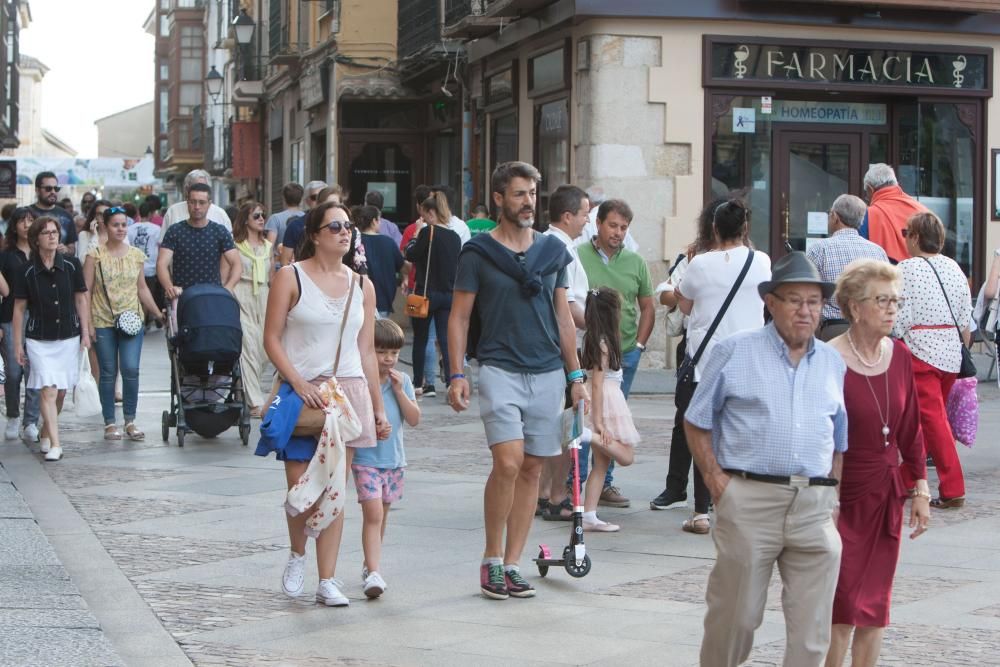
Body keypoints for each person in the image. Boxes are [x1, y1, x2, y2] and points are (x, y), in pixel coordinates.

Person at [685, 251, 846, 667]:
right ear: (771, 303)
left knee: (813, 635)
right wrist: (717, 482)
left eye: (813, 302)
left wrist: (834, 496)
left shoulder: (832, 362)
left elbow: (839, 439)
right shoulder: (735, 351)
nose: (805, 311)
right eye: (795, 300)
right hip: (751, 499)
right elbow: (696, 420)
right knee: (735, 618)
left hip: (813, 506)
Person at [447, 161, 587, 601]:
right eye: (519, 194)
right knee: (507, 462)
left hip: (547, 371)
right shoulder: (478, 253)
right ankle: (491, 558)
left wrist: (576, 373)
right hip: (498, 367)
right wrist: (455, 373)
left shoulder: (552, 253)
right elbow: (460, 317)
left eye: (532, 194)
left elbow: (563, 317)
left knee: (532, 467)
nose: (528, 202)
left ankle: (513, 563)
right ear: (499, 198)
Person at [259, 200, 389, 608]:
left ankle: (327, 579)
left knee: (334, 489)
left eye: (348, 226)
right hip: (302, 393)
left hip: (345, 393)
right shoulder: (290, 276)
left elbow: (366, 350)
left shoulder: (362, 285)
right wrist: (297, 382)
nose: (344, 232)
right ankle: (298, 555)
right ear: (314, 234)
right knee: (301, 487)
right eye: (334, 226)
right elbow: (271, 339)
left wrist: (378, 404)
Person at [825, 259, 930, 667]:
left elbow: (911, 429)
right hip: (842, 497)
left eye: (895, 301)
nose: (891, 309)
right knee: (841, 604)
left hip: (887, 495)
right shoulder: (829, 359)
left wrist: (920, 488)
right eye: (881, 300)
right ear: (854, 306)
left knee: (874, 605)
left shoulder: (900, 355)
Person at [671, 200, 771, 534]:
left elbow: (684, 307)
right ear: (745, 229)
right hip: (748, 359)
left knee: (704, 434)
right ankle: (740, 505)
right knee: (740, 433)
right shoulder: (762, 262)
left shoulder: (699, 265)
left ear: (714, 229)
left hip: (705, 360)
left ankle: (701, 511)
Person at [577, 198, 655, 509]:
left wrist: (638, 345)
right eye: (613, 225)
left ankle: (604, 483)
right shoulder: (578, 256)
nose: (618, 232)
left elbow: (648, 306)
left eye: (624, 228)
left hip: (624, 355)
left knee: (613, 421)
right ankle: (576, 480)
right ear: (598, 224)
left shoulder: (635, 262)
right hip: (590, 354)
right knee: (591, 418)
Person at [892, 211, 972, 509]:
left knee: (932, 422)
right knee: (927, 422)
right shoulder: (955, 268)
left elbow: (899, 318)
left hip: (920, 353)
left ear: (914, 237)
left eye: (906, 234)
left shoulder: (906, 269)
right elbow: (966, 318)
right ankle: (906, 480)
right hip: (950, 354)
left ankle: (953, 487)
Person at [12, 217, 92, 462]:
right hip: (39, 338)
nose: (52, 236)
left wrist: (86, 333)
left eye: (55, 232)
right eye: (46, 233)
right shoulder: (26, 271)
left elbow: (81, 299)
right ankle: (56, 444)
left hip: (68, 335)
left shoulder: (70, 264)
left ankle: (47, 430)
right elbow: (18, 309)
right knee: (48, 390)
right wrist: (18, 344)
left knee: (59, 393)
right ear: (36, 239)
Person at [352, 318, 420, 599]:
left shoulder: (401, 380)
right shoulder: (362, 380)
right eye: (381, 352)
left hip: (394, 460)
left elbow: (414, 419)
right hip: (366, 459)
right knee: (373, 514)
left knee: (382, 517)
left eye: (393, 353)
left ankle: (371, 567)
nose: (388, 359)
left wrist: (400, 391)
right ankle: (375, 571)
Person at [84, 207, 162, 441]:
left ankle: (130, 419)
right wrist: (87, 323)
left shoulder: (136, 255)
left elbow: (142, 288)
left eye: (123, 225)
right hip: (102, 319)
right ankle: (109, 422)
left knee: (131, 369)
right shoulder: (94, 255)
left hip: (131, 321)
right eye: (115, 224)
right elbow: (85, 291)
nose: (120, 229)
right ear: (106, 226)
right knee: (108, 372)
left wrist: (158, 314)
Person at [538, 185, 590, 521]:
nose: (588, 221)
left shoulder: (551, 242)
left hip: (556, 347)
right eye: (585, 213)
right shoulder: (560, 248)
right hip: (564, 349)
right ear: (568, 216)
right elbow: (567, 308)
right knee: (565, 427)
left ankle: (544, 493)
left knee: (557, 424)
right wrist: (601, 322)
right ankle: (556, 495)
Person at [579, 287, 637, 532]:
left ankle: (589, 514)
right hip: (607, 400)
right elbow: (598, 382)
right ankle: (587, 434)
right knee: (626, 456)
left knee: (601, 465)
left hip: (605, 397)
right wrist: (598, 423)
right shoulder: (603, 342)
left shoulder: (595, 338)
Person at [807, 194, 889, 341]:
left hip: (832, 330)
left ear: (835, 217)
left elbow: (809, 292)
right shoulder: (878, 252)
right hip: (869, 330)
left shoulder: (819, 249)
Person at [405, 191, 462, 396]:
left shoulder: (426, 232)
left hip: (422, 293)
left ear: (431, 212)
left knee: (420, 338)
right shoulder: (455, 236)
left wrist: (414, 235)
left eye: (423, 213)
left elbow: (411, 254)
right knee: (445, 339)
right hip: (448, 294)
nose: (422, 218)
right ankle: (450, 382)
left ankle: (419, 382)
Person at [157, 183, 241, 300]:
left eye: (202, 202)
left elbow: (236, 263)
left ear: (209, 204)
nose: (197, 206)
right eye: (193, 202)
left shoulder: (220, 231)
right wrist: (169, 287)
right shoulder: (175, 231)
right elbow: (161, 264)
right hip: (182, 298)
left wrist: (228, 288)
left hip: (213, 297)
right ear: (187, 202)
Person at [0, 208, 39, 442]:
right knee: (14, 371)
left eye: (31, 220)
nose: (27, 224)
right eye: (22, 221)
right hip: (8, 316)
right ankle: (13, 414)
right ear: (13, 226)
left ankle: (31, 421)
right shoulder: (6, 256)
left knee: (35, 370)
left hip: (37, 316)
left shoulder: (42, 253)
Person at [232, 201, 273, 417]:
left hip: (265, 297)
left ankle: (244, 389)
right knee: (248, 346)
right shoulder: (235, 245)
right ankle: (255, 402)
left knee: (265, 349)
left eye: (263, 215)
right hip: (242, 295)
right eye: (256, 215)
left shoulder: (268, 246)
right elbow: (225, 276)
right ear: (245, 219)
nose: (261, 219)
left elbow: (272, 278)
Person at [399, 185, 440, 395]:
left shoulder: (412, 230)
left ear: (419, 207)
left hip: (418, 289)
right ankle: (431, 382)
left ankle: (419, 382)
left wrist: (406, 277)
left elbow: (406, 256)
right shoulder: (449, 230)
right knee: (431, 338)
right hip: (440, 290)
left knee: (420, 337)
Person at [860, 163, 927, 263]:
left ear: (870, 189)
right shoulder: (922, 210)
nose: (867, 198)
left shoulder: (868, 214)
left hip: (885, 275)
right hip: (922, 274)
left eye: (866, 193)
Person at [356, 205, 404, 318]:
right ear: (374, 221)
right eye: (379, 220)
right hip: (383, 300)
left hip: (358, 299)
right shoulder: (389, 242)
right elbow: (402, 266)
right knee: (381, 334)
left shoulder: (355, 241)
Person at [159, 169, 232, 240]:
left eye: (203, 188)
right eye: (195, 188)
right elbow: (163, 244)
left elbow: (229, 246)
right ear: (187, 189)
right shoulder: (173, 211)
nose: (199, 191)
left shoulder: (220, 214)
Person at [127, 201, 164, 326]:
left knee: (137, 296)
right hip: (150, 267)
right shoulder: (156, 229)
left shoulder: (130, 229)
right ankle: (143, 322)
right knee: (148, 294)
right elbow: (161, 246)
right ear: (150, 214)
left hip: (133, 267)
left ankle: (140, 321)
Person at [280, 181, 333, 266]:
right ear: (307, 201)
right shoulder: (295, 226)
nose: (319, 201)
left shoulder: (340, 226)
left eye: (323, 198)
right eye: (314, 197)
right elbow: (285, 261)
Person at [28, 172, 77, 256]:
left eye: (56, 188)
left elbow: (72, 248)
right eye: (48, 188)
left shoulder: (66, 216)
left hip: (59, 266)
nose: (53, 192)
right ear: (37, 190)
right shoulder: (26, 214)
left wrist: (66, 250)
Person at [265, 182, 304, 269]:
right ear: (301, 199)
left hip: (280, 265)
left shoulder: (275, 218)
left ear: (284, 198)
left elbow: (269, 246)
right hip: (303, 266)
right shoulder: (306, 218)